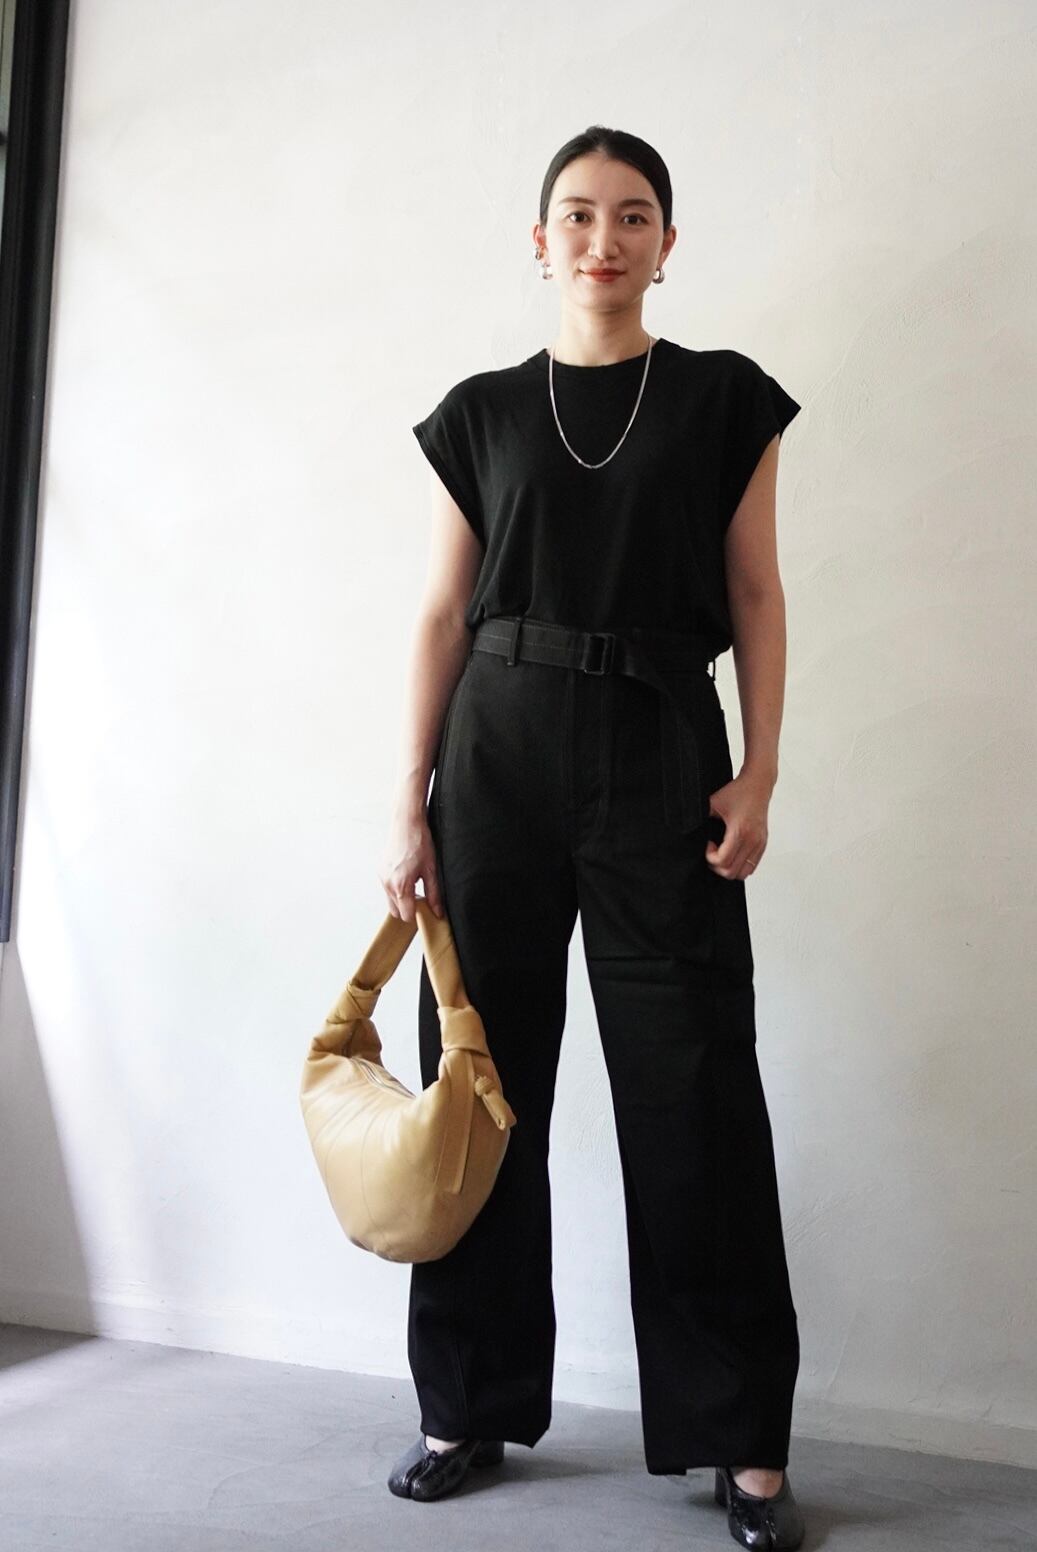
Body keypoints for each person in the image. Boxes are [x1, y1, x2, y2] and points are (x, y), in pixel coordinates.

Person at [379, 124, 806, 1552]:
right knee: (482, 1086)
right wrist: (407, 798)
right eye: (577, 214)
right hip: (494, 758)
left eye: (632, 216)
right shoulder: (481, 414)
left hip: (658, 755)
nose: (603, 239)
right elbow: (442, 613)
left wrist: (757, 773)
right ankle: (466, 1403)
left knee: (693, 1090)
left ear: (666, 245)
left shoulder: (722, 399)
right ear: (540, 238)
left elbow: (757, 595)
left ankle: (740, 1440)